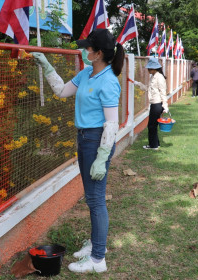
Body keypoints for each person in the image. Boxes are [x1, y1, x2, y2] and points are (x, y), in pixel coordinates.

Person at [32, 28, 125, 273]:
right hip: (84, 138)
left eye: (88, 48)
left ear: (99, 53)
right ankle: (97, 244)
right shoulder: (86, 73)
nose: (84, 51)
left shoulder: (108, 81)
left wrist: (102, 157)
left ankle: (97, 260)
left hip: (97, 141)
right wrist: (47, 66)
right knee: (92, 197)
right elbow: (62, 91)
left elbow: (112, 124)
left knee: (96, 200)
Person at [133, 57, 169, 150]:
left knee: (151, 125)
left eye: (149, 68)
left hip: (157, 104)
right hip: (154, 104)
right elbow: (147, 88)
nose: (148, 70)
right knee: (153, 125)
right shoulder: (153, 76)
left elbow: (163, 92)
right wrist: (137, 83)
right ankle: (156, 144)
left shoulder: (159, 77)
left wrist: (165, 105)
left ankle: (153, 146)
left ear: (154, 68)